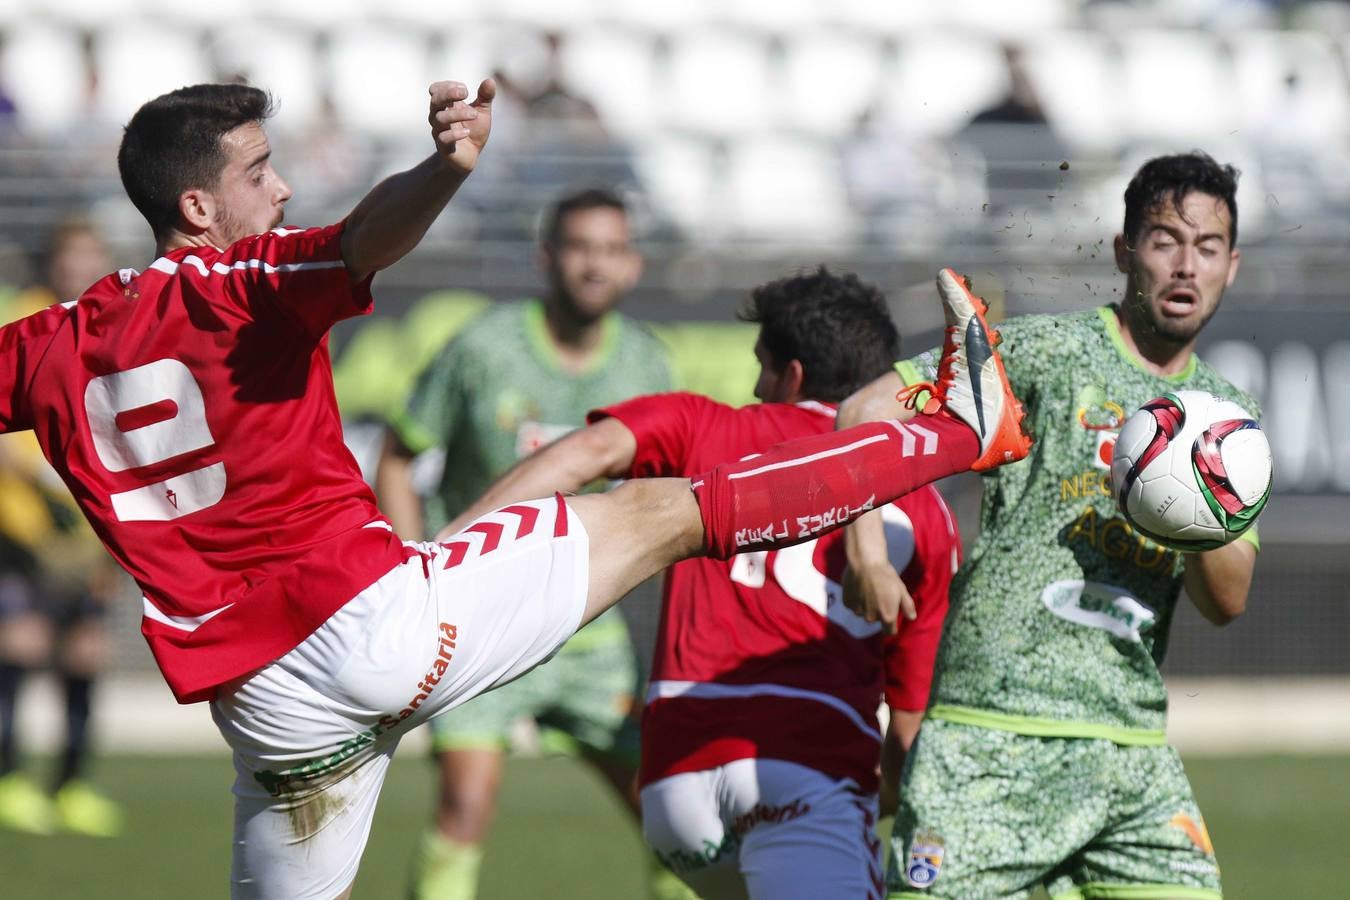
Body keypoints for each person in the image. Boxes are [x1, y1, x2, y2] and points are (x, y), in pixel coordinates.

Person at [0, 73, 1029, 899]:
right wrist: (447, 168)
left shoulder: (47, 346)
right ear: (195, 206)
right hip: (369, 626)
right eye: (260, 172)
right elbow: (363, 238)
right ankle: (955, 431)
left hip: (265, 711)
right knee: (662, 512)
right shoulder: (243, 285)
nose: (281, 190)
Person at [436, 267, 963, 900]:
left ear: (792, 375)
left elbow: (579, 456)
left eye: (761, 367)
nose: (754, 387)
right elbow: (907, 730)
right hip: (803, 770)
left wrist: (443, 559)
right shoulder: (925, 505)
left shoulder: (704, 425)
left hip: (673, 790)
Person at [839, 152, 1258, 899]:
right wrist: (866, 552)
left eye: (1208, 247)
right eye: (1165, 241)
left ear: (1232, 265)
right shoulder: (1044, 352)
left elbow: (1227, 601)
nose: (1185, 266)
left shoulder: (1230, 422)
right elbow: (864, 410)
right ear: (1124, 251)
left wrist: (1195, 505)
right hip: (990, 733)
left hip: (1129, 756)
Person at [374, 188, 673, 900]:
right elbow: (398, 457)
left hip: (593, 636)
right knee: (465, 805)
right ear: (547, 257)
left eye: (611, 250)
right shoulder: (484, 347)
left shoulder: (647, 365)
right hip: (480, 627)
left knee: (671, 815)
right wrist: (415, 574)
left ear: (632, 264)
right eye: (580, 248)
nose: (594, 266)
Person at [0, 217, 125, 837]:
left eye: (90, 255)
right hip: (21, 528)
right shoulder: (20, 319)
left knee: (85, 653)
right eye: (70, 255)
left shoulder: (116, 327)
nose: (79, 266)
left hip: (92, 529)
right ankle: (10, 780)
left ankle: (73, 784)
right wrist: (41, 479)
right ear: (52, 262)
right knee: (19, 645)